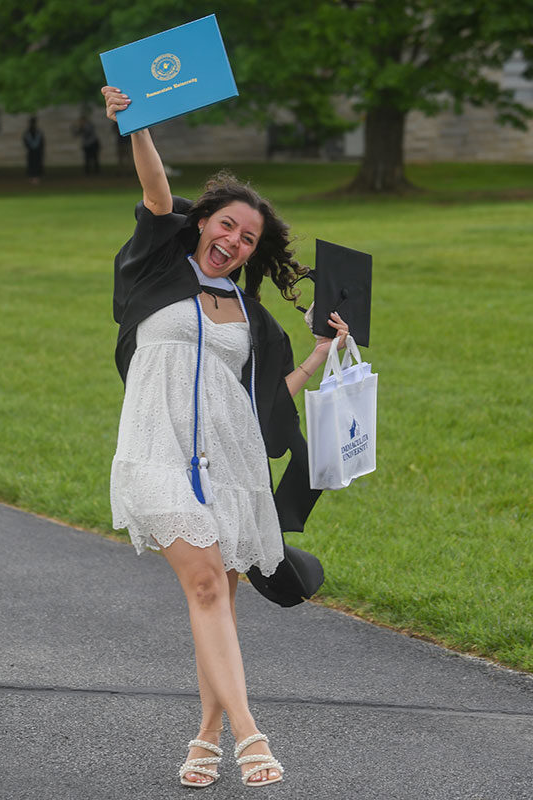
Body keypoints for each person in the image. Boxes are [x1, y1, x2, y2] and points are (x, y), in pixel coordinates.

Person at [103, 85, 349, 789]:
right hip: (155, 455)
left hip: (230, 466)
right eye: (226, 226)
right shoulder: (155, 268)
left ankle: (205, 738)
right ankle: (252, 737)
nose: (233, 242)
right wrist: (137, 124)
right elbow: (155, 190)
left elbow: (262, 402)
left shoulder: (249, 315)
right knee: (206, 584)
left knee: (217, 598)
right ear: (202, 221)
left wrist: (316, 359)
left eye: (247, 239)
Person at [22, 116, 45, 184]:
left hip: (33, 151)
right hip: (34, 151)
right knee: (33, 163)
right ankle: (34, 177)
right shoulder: (35, 132)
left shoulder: (34, 132)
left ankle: (34, 177)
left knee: (34, 163)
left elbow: (25, 141)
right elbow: (42, 142)